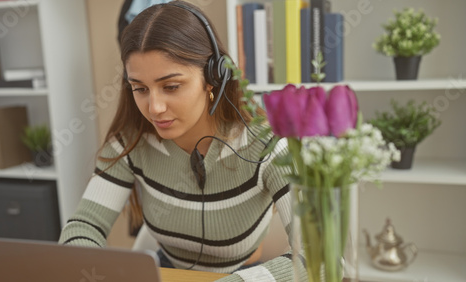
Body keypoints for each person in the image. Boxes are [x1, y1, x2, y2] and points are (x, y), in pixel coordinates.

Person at [59, 1, 308, 281]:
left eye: (171, 87)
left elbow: (322, 256)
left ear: (213, 77)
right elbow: (83, 227)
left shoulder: (267, 144)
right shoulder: (130, 142)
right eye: (140, 89)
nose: (154, 107)